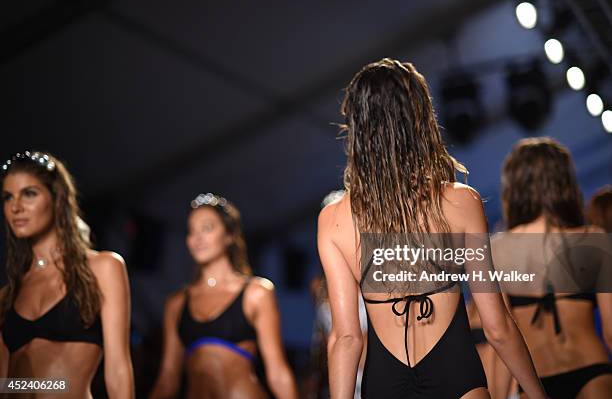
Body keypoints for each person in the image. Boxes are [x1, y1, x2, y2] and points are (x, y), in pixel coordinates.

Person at [317, 59, 547, 398]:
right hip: (457, 374)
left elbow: (346, 337)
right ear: (420, 117)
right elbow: (496, 326)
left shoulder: (334, 219)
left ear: (358, 127)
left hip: (384, 382)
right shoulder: (460, 202)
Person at [0, 150, 134, 398]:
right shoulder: (7, 296)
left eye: (29, 193)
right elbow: (4, 384)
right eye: (8, 197)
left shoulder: (103, 268)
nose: (16, 207)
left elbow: (118, 368)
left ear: (57, 198)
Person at [492, 138, 612, 399]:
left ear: (514, 187)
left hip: (535, 382)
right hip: (593, 371)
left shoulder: (496, 251)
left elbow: (500, 335)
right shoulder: (594, 238)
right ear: (564, 183)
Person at [149, 193, 298, 399]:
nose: (197, 238)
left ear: (229, 235)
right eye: (191, 231)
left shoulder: (256, 293)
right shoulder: (177, 302)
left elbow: (278, 372)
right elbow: (168, 379)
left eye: (207, 228)